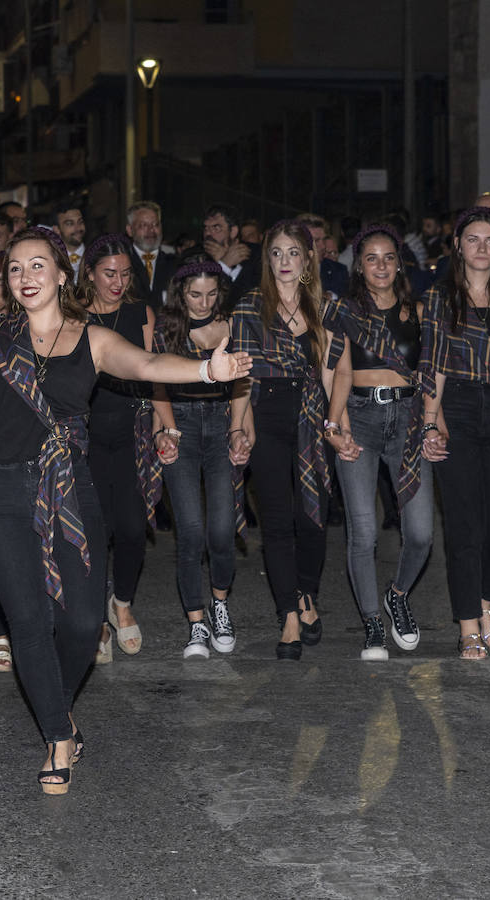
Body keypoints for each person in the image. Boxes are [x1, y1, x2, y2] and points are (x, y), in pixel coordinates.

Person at [0, 176, 250, 795]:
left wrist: (209, 369)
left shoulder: (93, 340)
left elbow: (147, 366)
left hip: (70, 489)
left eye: (38, 264)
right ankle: (58, 738)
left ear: (63, 274)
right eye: (15, 269)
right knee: (29, 620)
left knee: (83, 622)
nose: (25, 275)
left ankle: (54, 706)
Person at [419, 207, 490, 659]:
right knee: (463, 526)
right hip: (457, 411)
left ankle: (486, 603)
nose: (481, 247)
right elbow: (434, 362)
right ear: (458, 246)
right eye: (472, 239)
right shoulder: (440, 298)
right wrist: (431, 419)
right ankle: (468, 626)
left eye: (489, 239)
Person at [231, 219, 339, 661]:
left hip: (313, 411)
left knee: (313, 514)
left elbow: (334, 370)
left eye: (294, 252)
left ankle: (307, 593)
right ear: (266, 258)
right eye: (276, 253)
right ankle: (289, 614)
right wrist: (240, 425)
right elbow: (241, 374)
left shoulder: (327, 306)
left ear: (309, 257)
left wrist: (337, 422)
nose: (284, 262)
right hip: (267, 409)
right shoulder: (249, 307)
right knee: (276, 519)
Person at [328, 224, 434, 661]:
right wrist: (336, 425)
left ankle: (397, 595)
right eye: (371, 258)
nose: (381, 266)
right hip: (362, 417)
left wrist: (432, 424)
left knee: (422, 534)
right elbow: (340, 372)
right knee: (364, 532)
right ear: (359, 265)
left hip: (408, 420)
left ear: (400, 262)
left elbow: (430, 375)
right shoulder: (345, 311)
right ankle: (373, 622)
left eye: (389, 257)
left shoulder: (418, 311)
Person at [152, 258, 244, 658]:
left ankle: (220, 604)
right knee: (189, 532)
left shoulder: (233, 323)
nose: (203, 302)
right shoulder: (166, 325)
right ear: (180, 293)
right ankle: (196, 623)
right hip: (182, 424)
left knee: (222, 530)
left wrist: (240, 428)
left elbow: (244, 382)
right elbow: (155, 379)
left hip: (221, 422)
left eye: (211, 293)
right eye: (195, 294)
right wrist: (167, 430)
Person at [75, 234, 157, 660]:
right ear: (89, 272)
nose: (119, 282)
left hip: (128, 436)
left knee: (130, 529)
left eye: (126, 273)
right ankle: (95, 624)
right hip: (82, 439)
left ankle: (121, 603)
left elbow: (153, 371)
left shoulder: (139, 312)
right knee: (92, 533)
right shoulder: (71, 316)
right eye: (110, 273)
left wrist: (168, 426)